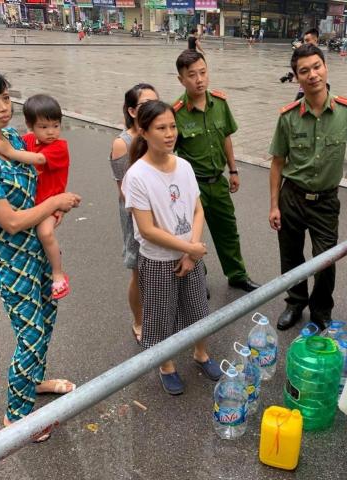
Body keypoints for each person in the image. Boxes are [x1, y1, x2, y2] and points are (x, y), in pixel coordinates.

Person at [0, 65, 81, 439]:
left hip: (38, 247)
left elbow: (41, 172)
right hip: (11, 257)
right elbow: (8, 221)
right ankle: (17, 417)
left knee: (47, 316)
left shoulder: (12, 137)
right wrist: (56, 202)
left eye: (6, 97)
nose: (3, 107)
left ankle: (34, 380)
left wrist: (51, 212)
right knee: (31, 332)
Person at [269, 44, 347, 331]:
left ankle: (321, 308)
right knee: (290, 255)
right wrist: (274, 204)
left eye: (317, 67)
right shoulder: (288, 116)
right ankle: (295, 301)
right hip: (292, 196)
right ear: (296, 77)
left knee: (326, 259)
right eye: (304, 71)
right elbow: (277, 163)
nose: (312, 74)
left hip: (326, 200)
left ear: (326, 68)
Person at [122, 100, 221, 395]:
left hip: (190, 253)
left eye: (173, 127)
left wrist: (192, 251)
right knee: (160, 315)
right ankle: (166, 365)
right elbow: (148, 230)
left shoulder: (185, 166)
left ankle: (201, 353)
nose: (169, 134)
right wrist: (188, 249)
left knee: (198, 308)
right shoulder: (137, 175)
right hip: (158, 260)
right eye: (161, 128)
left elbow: (197, 210)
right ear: (143, 131)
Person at [173, 49, 260, 292]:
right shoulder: (176, 112)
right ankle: (198, 279)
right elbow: (171, 155)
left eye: (203, 72)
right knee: (192, 236)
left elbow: (226, 138)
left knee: (227, 230)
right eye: (192, 75)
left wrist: (233, 170)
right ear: (181, 79)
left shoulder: (220, 103)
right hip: (193, 186)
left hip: (218, 181)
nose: (199, 79)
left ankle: (237, 274)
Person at [0, 94, 72, 300]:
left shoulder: (59, 146)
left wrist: (8, 151)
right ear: (30, 125)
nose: (51, 132)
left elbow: (37, 158)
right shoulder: (27, 140)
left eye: (55, 125)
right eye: (44, 127)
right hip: (35, 201)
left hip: (50, 202)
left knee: (45, 233)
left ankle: (58, 274)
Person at [109, 83, 159, 344]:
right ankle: (139, 320)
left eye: (156, 102)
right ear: (131, 110)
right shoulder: (122, 142)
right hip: (135, 215)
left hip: (161, 211)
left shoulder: (157, 133)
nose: (152, 108)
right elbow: (124, 191)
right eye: (144, 105)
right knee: (138, 270)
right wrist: (148, 213)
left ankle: (159, 315)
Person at [295, 28, 328, 100]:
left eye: (307, 40)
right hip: (303, 91)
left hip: (313, 93)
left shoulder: (319, 56)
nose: (305, 43)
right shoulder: (302, 54)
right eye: (304, 41)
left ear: (315, 40)